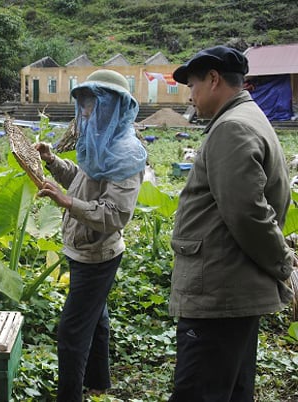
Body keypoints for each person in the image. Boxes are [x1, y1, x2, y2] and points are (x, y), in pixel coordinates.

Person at [168, 45, 295, 401]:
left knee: (198, 391)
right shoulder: (250, 118)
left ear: (213, 79)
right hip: (232, 287)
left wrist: (282, 263)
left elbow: (247, 212)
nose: (190, 97)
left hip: (218, 292)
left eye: (192, 86)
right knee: (230, 388)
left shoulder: (232, 128)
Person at [35, 69, 147, 401]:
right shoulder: (99, 138)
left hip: (98, 256)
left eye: (90, 103)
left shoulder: (125, 152)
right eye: (82, 103)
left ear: (112, 105)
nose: (84, 111)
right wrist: (52, 162)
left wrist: (65, 202)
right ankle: (98, 382)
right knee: (96, 318)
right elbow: (82, 182)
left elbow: (114, 214)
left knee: (72, 332)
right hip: (84, 248)